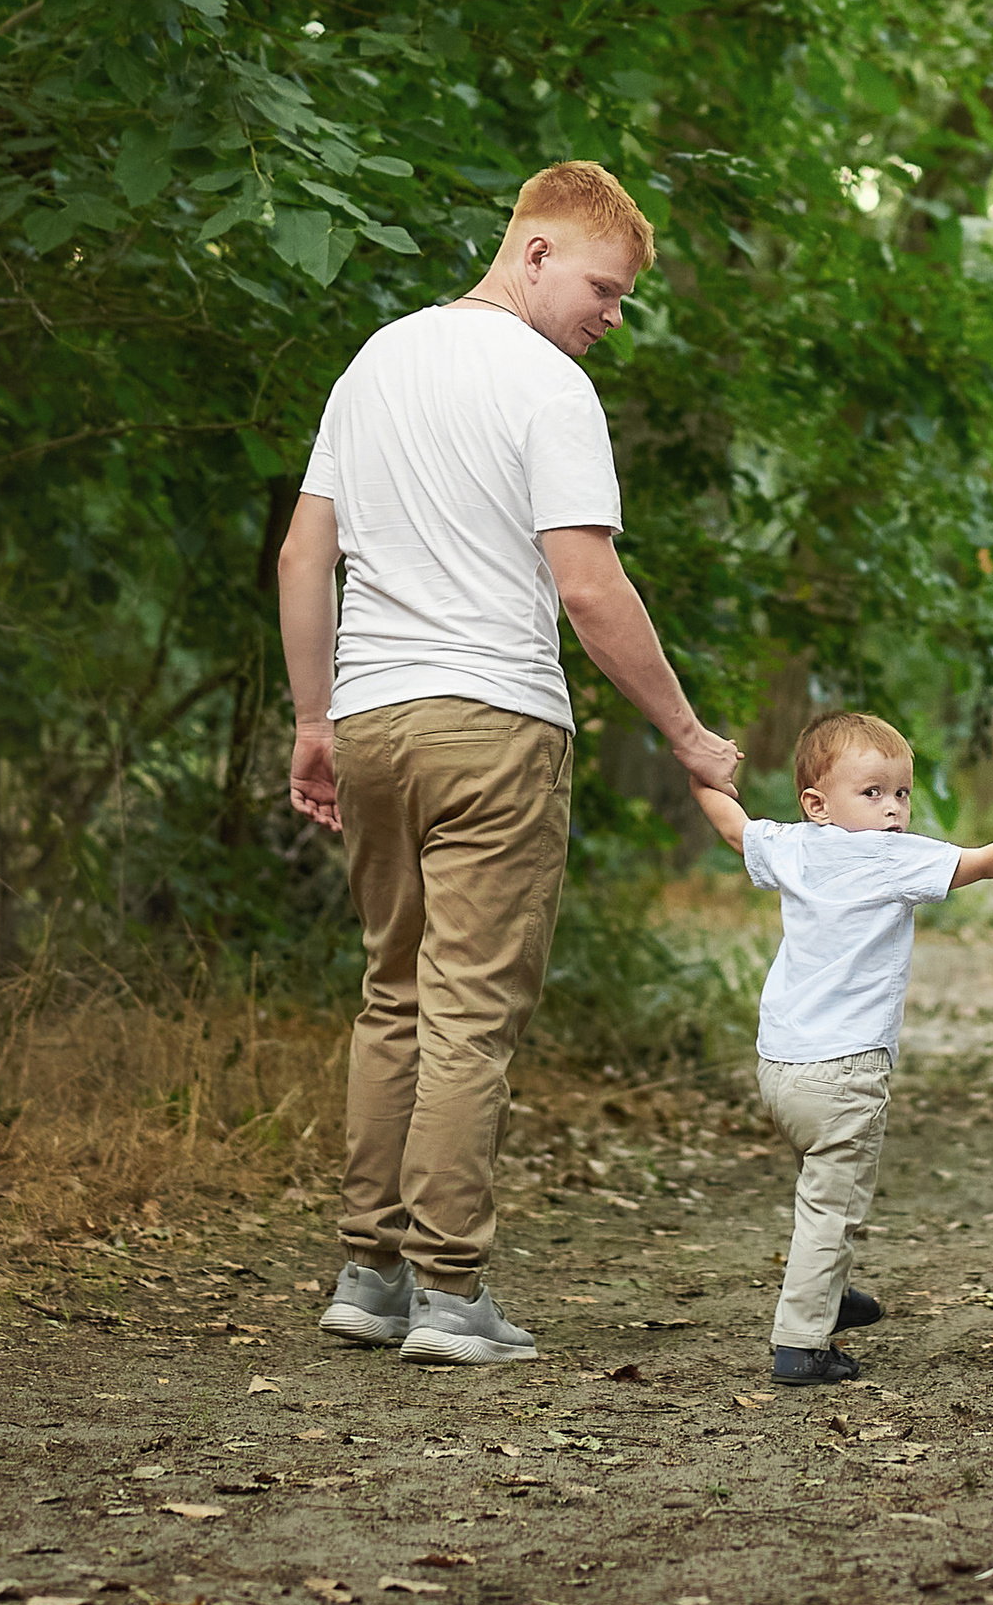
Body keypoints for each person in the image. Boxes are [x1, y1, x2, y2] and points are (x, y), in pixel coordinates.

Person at [277, 159, 743, 1368]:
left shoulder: (375, 358)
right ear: (531, 253)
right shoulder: (546, 386)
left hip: (373, 722)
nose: (613, 316)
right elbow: (587, 586)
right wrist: (689, 736)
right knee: (469, 1012)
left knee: (393, 996)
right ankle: (449, 1290)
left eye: (626, 298)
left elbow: (300, 557)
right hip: (493, 724)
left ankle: (366, 1279)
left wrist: (314, 721)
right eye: (604, 286)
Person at [689, 713, 993, 1387]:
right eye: (873, 794)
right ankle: (802, 1344)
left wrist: (703, 773)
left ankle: (824, 1289)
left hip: (780, 1068)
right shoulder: (891, 859)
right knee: (834, 1203)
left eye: (901, 794)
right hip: (845, 1071)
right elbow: (988, 860)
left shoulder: (794, 845)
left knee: (819, 1184)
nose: (892, 811)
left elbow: (731, 825)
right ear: (817, 804)